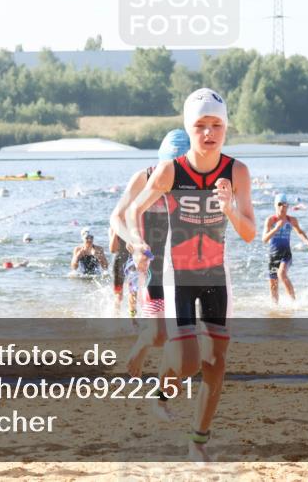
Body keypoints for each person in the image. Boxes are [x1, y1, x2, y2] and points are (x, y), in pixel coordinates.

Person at [125, 88, 256, 461]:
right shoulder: (171, 171)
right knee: (187, 360)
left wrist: (228, 207)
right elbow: (135, 209)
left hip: (216, 275)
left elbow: (248, 233)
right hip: (178, 273)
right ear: (189, 128)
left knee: (215, 365)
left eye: (216, 125)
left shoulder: (237, 171)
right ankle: (162, 391)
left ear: (226, 128)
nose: (209, 133)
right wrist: (136, 244)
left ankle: (197, 441)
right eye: (200, 125)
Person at [110, 128, 191, 389]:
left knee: (181, 330)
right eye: (169, 164)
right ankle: (143, 344)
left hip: (180, 264)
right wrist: (133, 242)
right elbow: (116, 217)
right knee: (158, 335)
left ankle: (169, 377)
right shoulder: (143, 178)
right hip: (150, 263)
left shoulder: (193, 182)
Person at [262, 194, 308, 305]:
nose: (282, 207)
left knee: (281, 274)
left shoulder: (291, 220)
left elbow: (300, 233)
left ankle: (293, 303)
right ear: (275, 206)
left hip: (286, 253)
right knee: (273, 284)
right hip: (273, 255)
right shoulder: (270, 220)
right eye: (279, 204)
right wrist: (276, 228)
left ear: (287, 206)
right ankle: (275, 310)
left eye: (285, 205)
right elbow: (264, 239)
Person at [109, 227, 135, 317]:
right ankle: (116, 318)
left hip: (133, 260)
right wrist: (116, 231)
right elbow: (112, 250)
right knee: (118, 295)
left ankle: (133, 319)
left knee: (133, 292)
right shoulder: (114, 227)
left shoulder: (134, 223)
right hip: (119, 261)